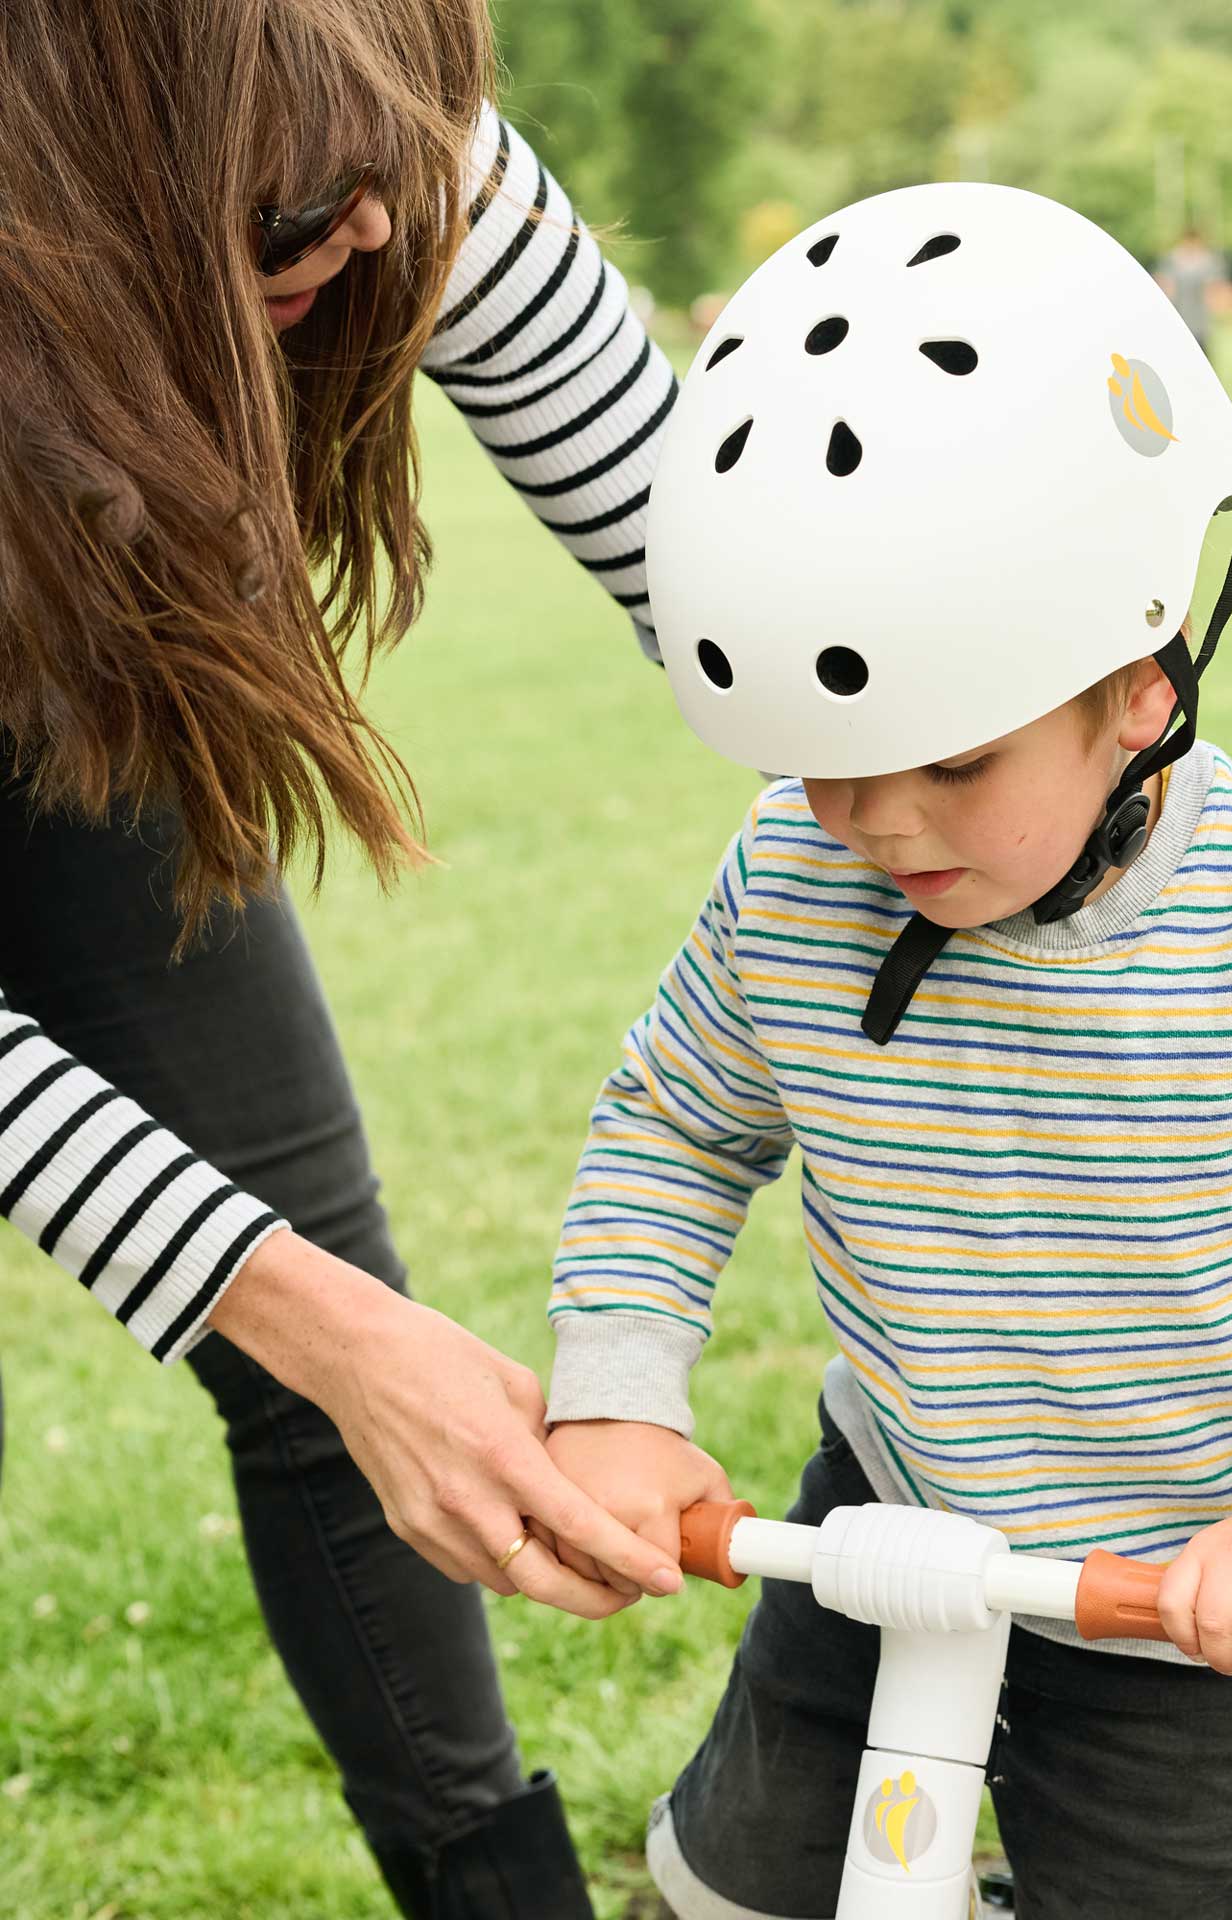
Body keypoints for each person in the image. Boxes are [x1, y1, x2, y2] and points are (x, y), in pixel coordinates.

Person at [535, 183, 1232, 1917]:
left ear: (1142, 690)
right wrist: (617, 1398)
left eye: (952, 762)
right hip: (886, 1514)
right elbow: (676, 1127)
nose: (877, 821)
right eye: (828, 762)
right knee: (731, 1887)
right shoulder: (793, 881)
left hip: (1185, 1586)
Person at [0, 3, 687, 1912]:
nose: (364, 236)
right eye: (285, 216)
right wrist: (315, 1321)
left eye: (388, 177)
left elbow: (725, 567)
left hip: (65, 682)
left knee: (327, 1316)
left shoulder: (373, 135)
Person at [1157, 222, 1229, 358]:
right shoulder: (1173, 261)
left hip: (1199, 324)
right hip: (1180, 321)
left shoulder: (1207, 262)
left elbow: (1214, 291)